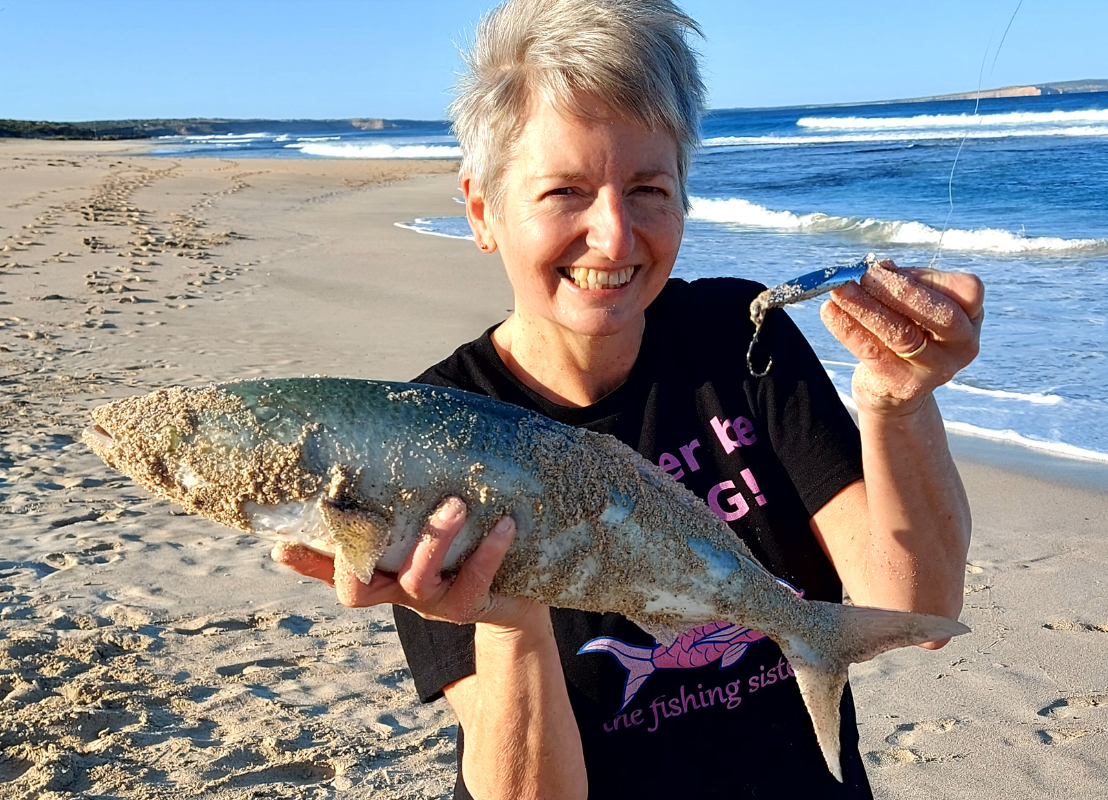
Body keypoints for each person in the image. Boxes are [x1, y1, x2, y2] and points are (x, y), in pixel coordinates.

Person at [273, 0, 984, 797]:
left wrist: (899, 405)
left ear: (683, 191)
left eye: (647, 187)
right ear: (482, 210)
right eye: (565, 192)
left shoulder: (738, 341)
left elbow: (914, 605)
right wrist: (508, 616)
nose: (613, 236)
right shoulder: (427, 435)